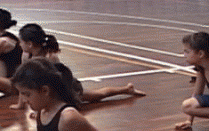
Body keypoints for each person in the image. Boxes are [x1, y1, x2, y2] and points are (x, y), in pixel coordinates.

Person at [14, 23, 145, 107]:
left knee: (97, 96)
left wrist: (68, 101)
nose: (19, 45)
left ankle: (127, 89)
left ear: (30, 44)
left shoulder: (50, 58)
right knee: (96, 95)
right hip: (48, 88)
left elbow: (60, 81)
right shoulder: (26, 56)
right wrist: (20, 105)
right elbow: (23, 82)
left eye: (21, 42)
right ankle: (127, 89)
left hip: (67, 85)